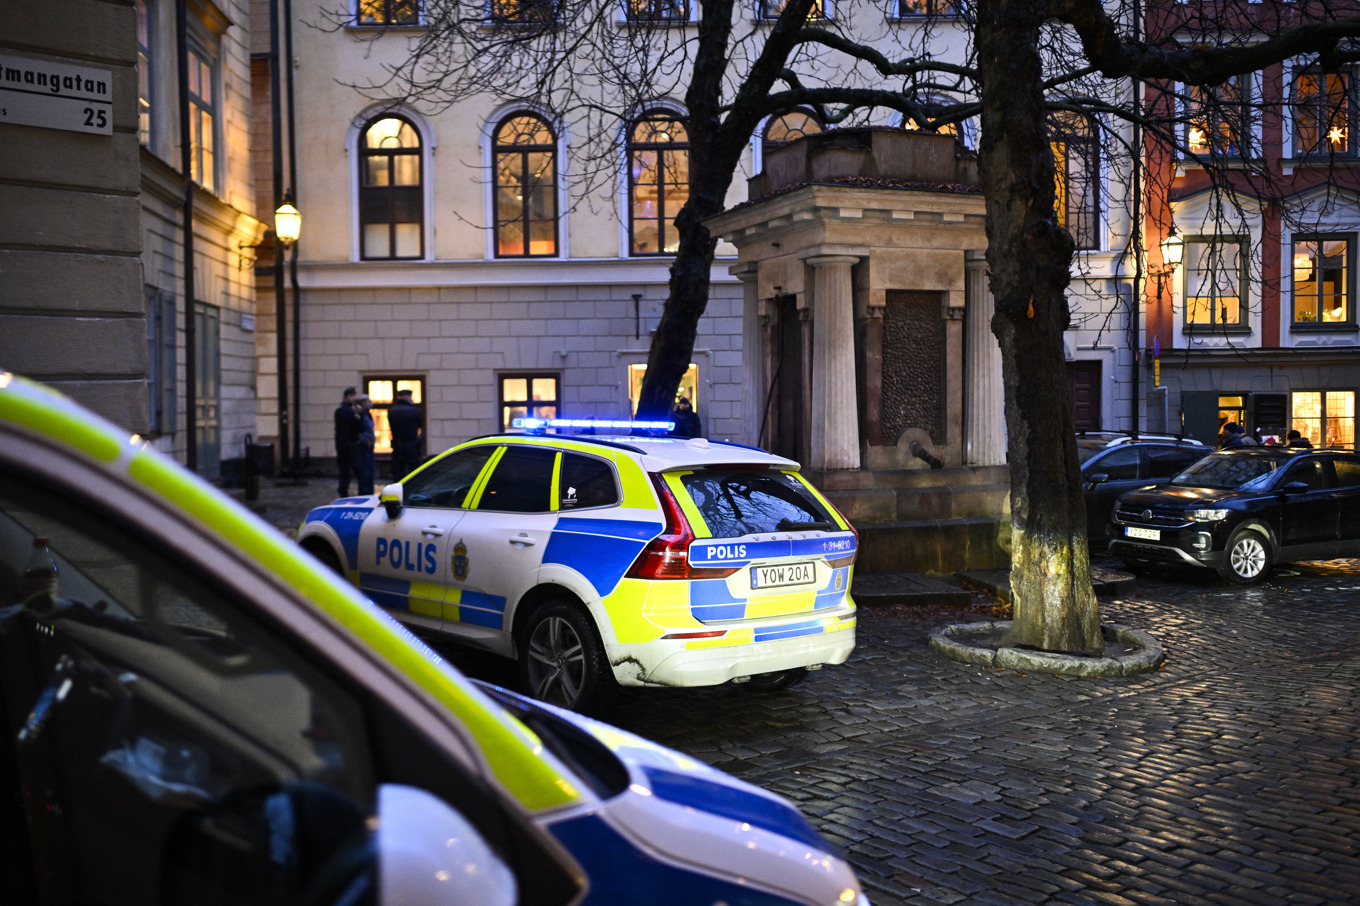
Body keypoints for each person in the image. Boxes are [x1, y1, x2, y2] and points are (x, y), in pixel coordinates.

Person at [387, 388, 424, 480]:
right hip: (411, 445)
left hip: (397, 445)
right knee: (414, 471)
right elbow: (420, 424)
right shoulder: (414, 411)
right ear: (407, 397)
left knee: (398, 472)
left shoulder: (392, 410)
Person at [334, 387, 361, 497]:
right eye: (351, 396)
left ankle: (343, 492)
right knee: (355, 470)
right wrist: (358, 414)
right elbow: (357, 425)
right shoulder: (346, 411)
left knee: (345, 471)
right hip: (348, 445)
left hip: (344, 444)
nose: (354, 398)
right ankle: (345, 492)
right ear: (346, 397)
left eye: (354, 396)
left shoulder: (342, 410)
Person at [352, 393, 376, 496]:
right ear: (363, 403)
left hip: (369, 445)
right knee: (365, 471)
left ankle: (369, 492)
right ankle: (365, 493)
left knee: (370, 471)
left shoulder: (367, 414)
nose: (371, 404)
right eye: (368, 402)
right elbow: (357, 429)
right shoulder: (359, 415)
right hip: (363, 446)